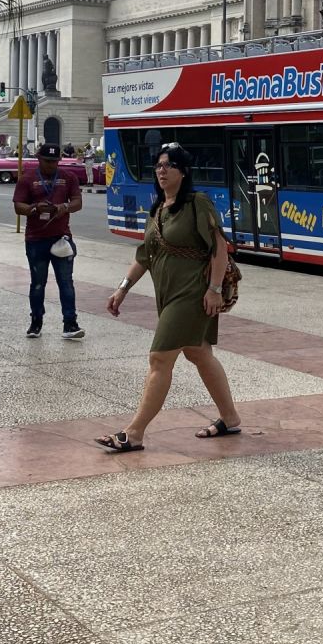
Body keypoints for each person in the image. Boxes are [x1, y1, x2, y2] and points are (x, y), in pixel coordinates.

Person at [101, 142, 240, 453]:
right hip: (167, 294)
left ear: (184, 171)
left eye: (169, 165)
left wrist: (214, 289)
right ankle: (230, 418)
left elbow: (219, 247)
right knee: (199, 354)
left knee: (160, 358)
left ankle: (134, 433)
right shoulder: (158, 209)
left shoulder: (197, 203)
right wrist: (122, 288)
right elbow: (145, 256)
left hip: (192, 294)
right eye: (159, 165)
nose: (161, 170)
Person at [12, 142, 85, 341]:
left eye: (55, 161)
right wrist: (34, 208)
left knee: (66, 283)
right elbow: (18, 206)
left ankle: (70, 323)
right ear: (38, 159)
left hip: (61, 237)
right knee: (38, 283)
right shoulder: (27, 179)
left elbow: (78, 202)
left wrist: (65, 207)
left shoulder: (68, 178)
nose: (51, 165)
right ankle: (36, 322)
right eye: (47, 161)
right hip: (36, 239)